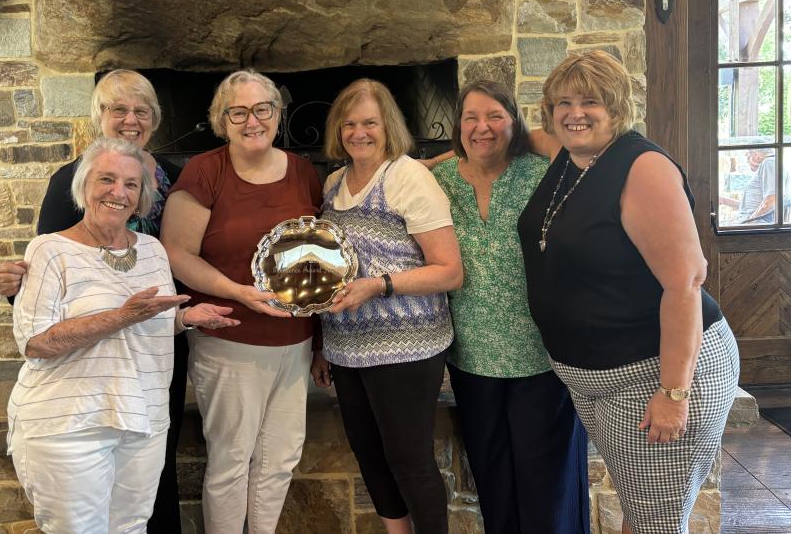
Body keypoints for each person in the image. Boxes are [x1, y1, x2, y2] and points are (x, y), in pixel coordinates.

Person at [517, 51, 740, 534]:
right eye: (563, 102)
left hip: (653, 376)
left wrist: (674, 392)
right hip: (594, 378)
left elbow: (685, 282)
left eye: (590, 102)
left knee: (655, 522)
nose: (575, 113)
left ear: (616, 109)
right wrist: (440, 156)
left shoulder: (642, 168)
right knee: (640, 513)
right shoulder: (569, 154)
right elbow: (515, 139)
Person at [7, 138, 238, 533]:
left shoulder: (152, 250)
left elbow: (151, 323)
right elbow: (36, 342)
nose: (119, 192)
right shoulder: (49, 251)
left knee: (132, 527)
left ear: (142, 197)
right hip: (70, 426)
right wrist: (120, 317)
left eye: (131, 185)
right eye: (107, 179)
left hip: (143, 418)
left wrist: (186, 318)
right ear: (83, 186)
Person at [0, 69, 189, 532]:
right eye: (117, 109)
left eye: (141, 111)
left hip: (154, 351)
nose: (130, 119)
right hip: (79, 385)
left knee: (148, 485)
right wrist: (15, 287)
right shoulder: (68, 181)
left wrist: (191, 316)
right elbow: (43, 291)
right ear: (98, 116)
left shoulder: (176, 178)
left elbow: (184, 256)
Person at [160, 70, 322, 534]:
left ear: (278, 113)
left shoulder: (302, 171)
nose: (253, 121)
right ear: (222, 120)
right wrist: (238, 294)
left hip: (294, 342)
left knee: (280, 459)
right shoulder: (206, 171)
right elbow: (177, 252)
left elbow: (318, 252)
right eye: (239, 112)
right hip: (229, 340)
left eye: (262, 109)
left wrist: (321, 342)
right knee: (231, 460)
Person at [431, 80, 589, 533]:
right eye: (471, 118)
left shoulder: (542, 170)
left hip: (540, 357)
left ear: (515, 121)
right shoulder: (437, 183)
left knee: (548, 488)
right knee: (494, 484)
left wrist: (523, 135)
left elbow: (579, 148)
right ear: (457, 126)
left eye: (495, 116)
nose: (482, 127)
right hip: (471, 360)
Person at [310, 78, 463, 534]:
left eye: (370, 123)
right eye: (350, 123)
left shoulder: (406, 176)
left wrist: (379, 285)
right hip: (345, 348)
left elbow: (450, 270)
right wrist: (320, 346)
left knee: (408, 459)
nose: (359, 132)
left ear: (388, 125)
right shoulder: (335, 182)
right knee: (369, 454)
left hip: (408, 349)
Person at [737, 148, 776, 224]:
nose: (747, 161)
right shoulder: (766, 165)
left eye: (748, 156)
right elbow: (750, 206)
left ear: (756, 155)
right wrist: (724, 200)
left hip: (758, 224)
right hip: (756, 222)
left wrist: (750, 221)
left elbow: (772, 199)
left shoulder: (769, 162)